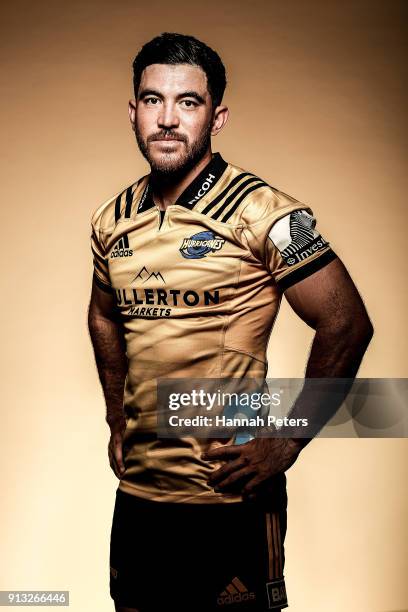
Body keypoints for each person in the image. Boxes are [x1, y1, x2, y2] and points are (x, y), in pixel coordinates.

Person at [87, 32, 373, 612]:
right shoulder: (111, 219)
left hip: (228, 502)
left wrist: (287, 440)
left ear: (216, 117)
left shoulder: (264, 212)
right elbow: (103, 317)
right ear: (133, 111)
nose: (167, 119)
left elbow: (347, 323)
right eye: (152, 100)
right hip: (139, 499)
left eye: (187, 102)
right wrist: (118, 419)